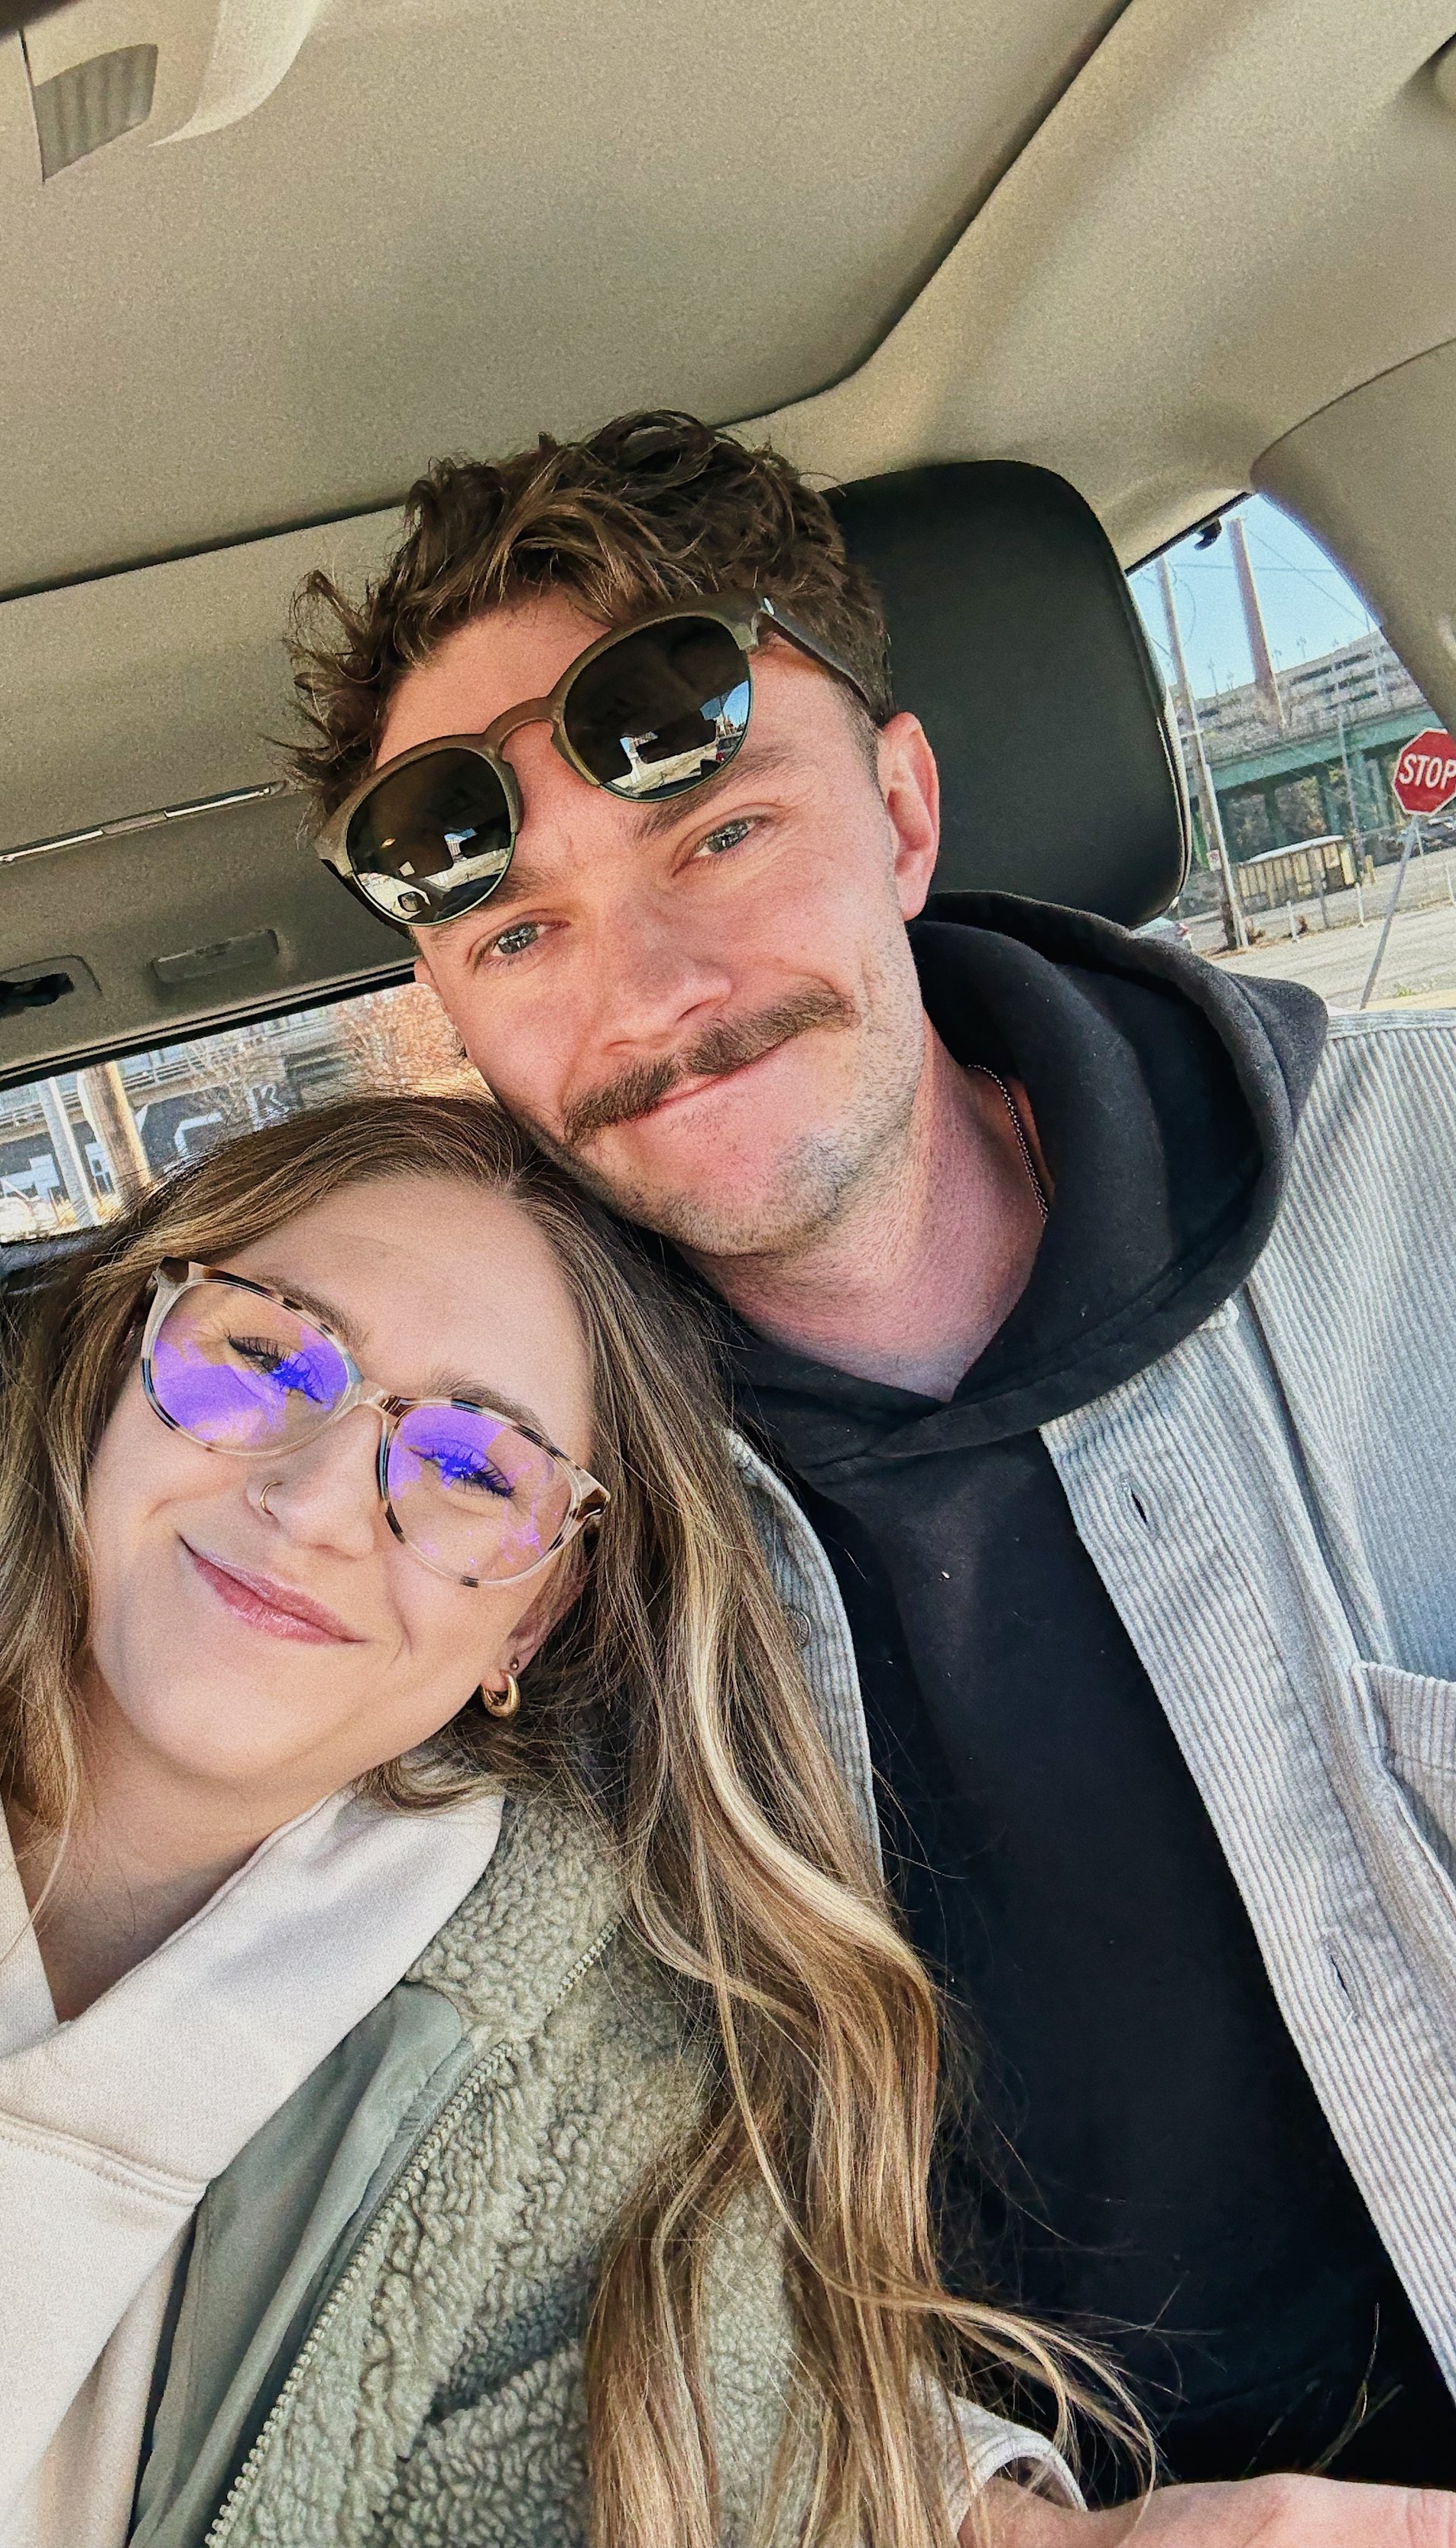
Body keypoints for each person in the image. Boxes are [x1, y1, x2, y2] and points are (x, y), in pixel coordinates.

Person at [287, 414, 1456, 2534]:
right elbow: (554, 2237)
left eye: (715, 837)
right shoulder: (489, 1550)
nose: (649, 995)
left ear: (902, 809)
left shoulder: (1430, 1197)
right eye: (517, 934)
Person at [0, 1094, 1099, 2548]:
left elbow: (711, 2425)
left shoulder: (587, 2086)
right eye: (264, 1355)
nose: (315, 1496)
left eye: (471, 1462)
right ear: (113, 1380)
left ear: (533, 1620)